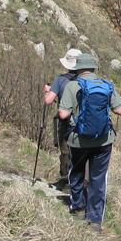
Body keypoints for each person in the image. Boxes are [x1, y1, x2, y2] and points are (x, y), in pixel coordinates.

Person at [57, 53, 121, 233]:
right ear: (94, 68)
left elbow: (63, 115)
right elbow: (120, 110)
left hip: (78, 140)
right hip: (103, 140)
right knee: (98, 178)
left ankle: (78, 207)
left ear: (77, 69)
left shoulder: (73, 86)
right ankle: (95, 219)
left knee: (77, 172)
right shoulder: (107, 85)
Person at [43, 47, 81, 189]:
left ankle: (65, 181)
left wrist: (49, 91)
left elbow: (48, 100)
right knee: (78, 152)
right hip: (82, 121)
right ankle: (78, 183)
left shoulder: (61, 80)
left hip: (65, 121)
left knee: (65, 151)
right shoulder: (85, 81)